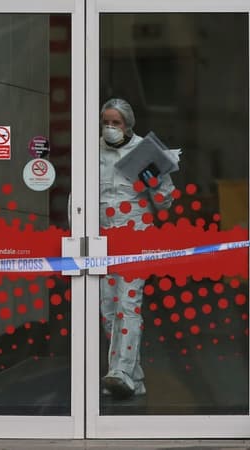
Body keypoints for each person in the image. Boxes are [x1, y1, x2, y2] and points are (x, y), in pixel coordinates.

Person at [98, 98, 175, 399]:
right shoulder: (92, 150)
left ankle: (119, 372)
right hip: (101, 241)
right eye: (106, 121)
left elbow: (165, 200)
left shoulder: (146, 151)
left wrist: (153, 182)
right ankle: (135, 377)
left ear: (128, 125)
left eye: (115, 123)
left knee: (127, 305)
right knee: (107, 309)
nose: (110, 128)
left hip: (135, 239)